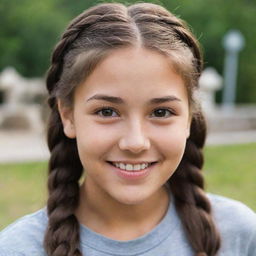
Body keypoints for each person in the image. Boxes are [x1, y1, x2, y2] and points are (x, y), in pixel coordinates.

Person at [0, 2, 255, 256]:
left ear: (189, 118)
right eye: (107, 112)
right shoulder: (17, 249)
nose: (135, 142)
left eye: (161, 112)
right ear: (68, 116)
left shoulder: (240, 235)